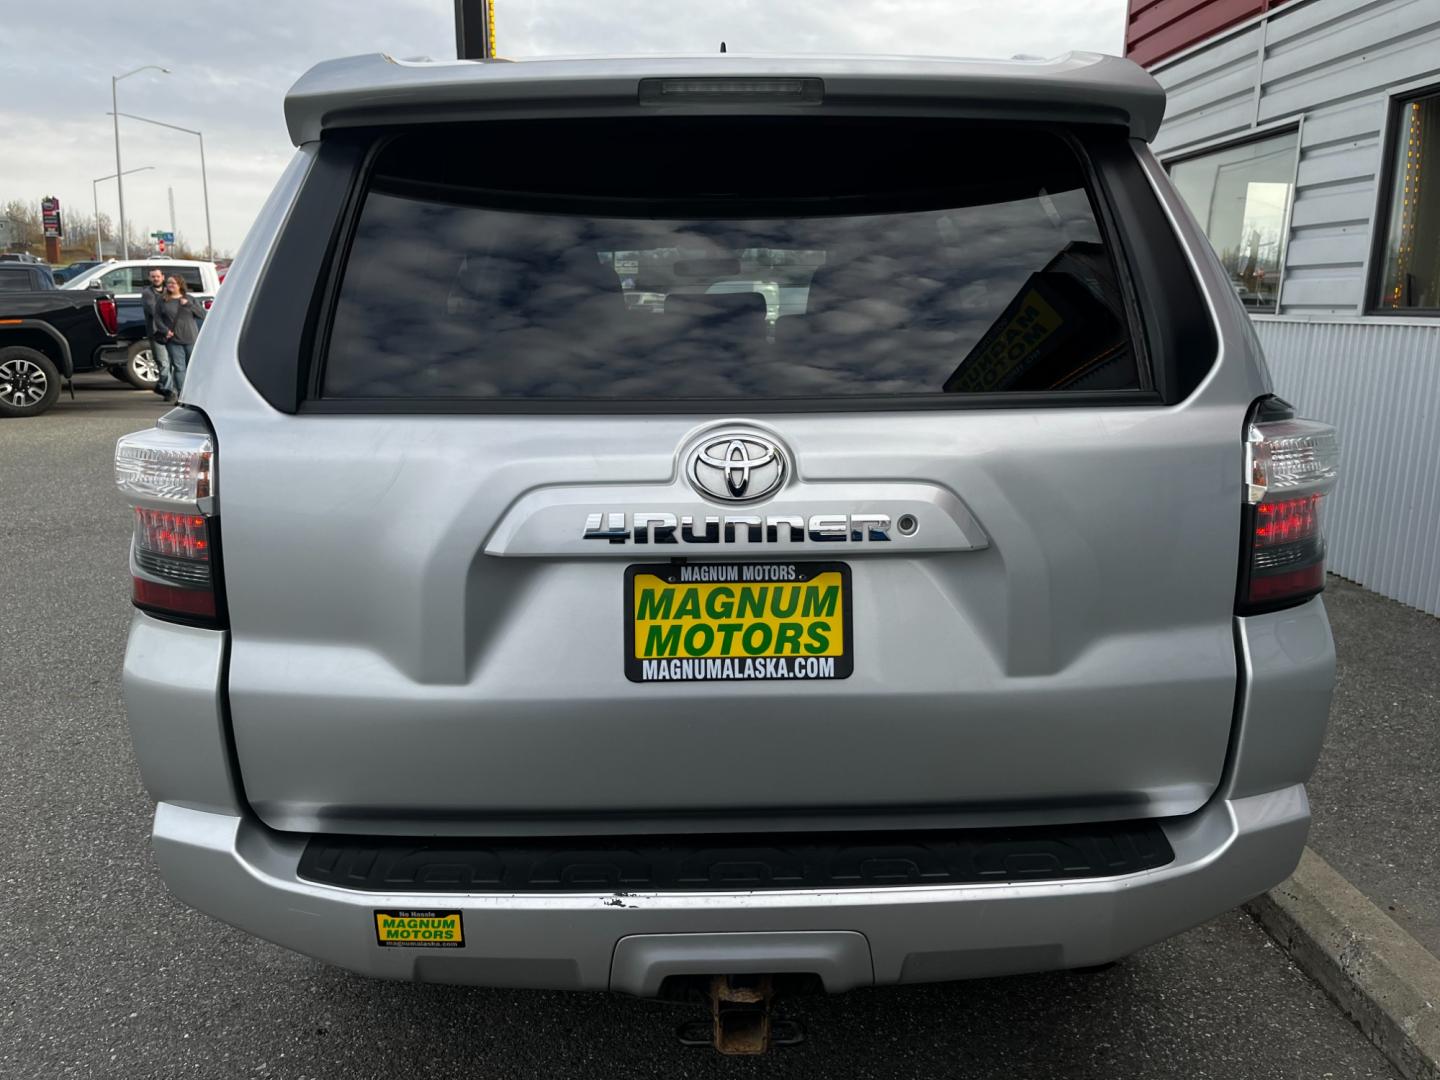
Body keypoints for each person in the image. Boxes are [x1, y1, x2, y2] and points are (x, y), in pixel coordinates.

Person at [154, 275, 202, 402]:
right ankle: (182, 395)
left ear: (180, 285)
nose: (170, 285)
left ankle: (195, 394)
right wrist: (165, 330)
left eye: (173, 283)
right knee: (179, 368)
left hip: (191, 338)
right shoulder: (162, 300)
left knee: (193, 367)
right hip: (173, 340)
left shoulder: (189, 299)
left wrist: (189, 305)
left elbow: (202, 314)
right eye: (168, 283)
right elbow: (157, 318)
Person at [140, 267, 172, 397]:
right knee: (163, 363)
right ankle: (169, 391)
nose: (156, 278)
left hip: (172, 332)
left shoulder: (169, 290)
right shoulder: (147, 293)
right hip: (156, 333)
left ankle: (162, 386)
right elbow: (154, 311)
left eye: (158, 276)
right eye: (153, 276)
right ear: (149, 278)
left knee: (174, 363)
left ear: (163, 277)